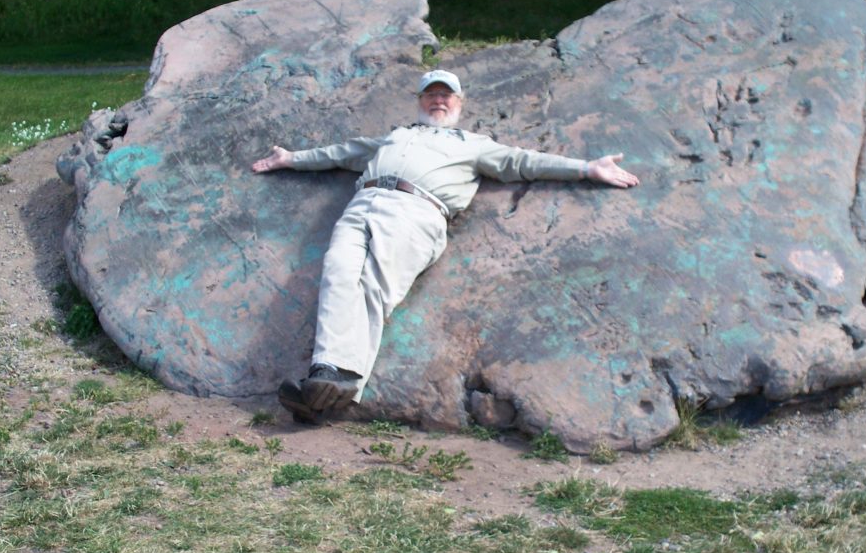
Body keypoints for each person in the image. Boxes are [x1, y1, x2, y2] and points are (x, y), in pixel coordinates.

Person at [252, 69, 639, 422]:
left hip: (416, 210)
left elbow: (525, 161)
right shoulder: (396, 135)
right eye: (430, 95)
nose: (438, 100)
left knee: (374, 286)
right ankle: (325, 374)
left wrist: (588, 168)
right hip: (363, 203)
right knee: (337, 274)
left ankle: (341, 381)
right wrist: (290, 158)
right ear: (420, 100)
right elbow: (341, 153)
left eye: (446, 95)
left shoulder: (474, 144)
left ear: (459, 102)